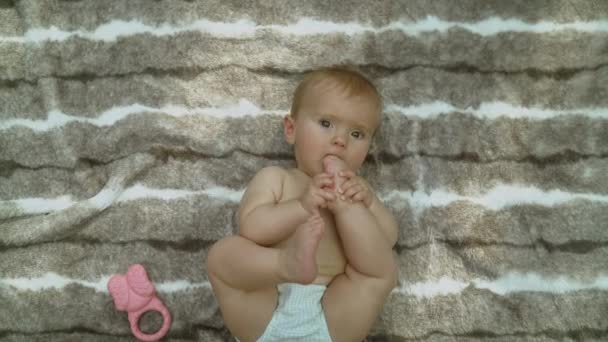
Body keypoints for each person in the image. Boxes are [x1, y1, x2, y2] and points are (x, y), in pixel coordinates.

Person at [206, 67, 398, 342]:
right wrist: (301, 206)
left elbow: (387, 240)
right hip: (268, 306)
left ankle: (292, 261)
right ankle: (287, 262)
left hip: (332, 317)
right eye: (326, 123)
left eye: (357, 134)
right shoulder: (278, 179)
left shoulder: (359, 194)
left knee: (384, 271)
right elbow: (252, 228)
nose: (340, 140)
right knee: (223, 255)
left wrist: (353, 205)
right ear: (291, 129)